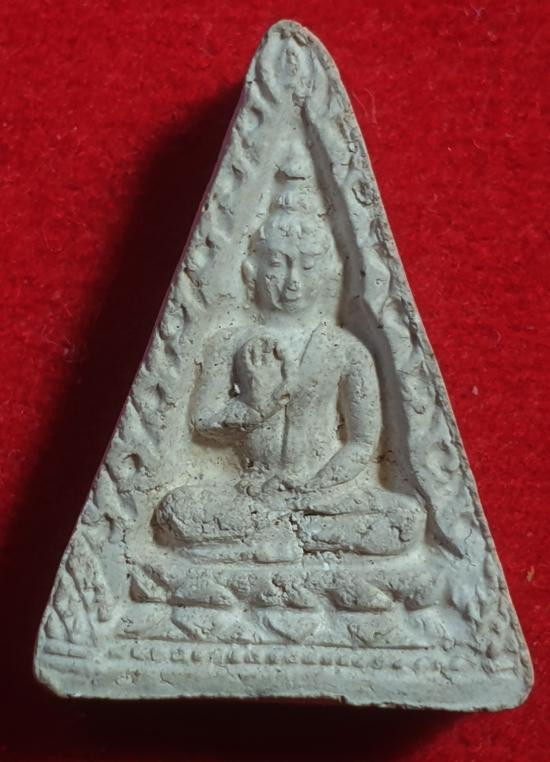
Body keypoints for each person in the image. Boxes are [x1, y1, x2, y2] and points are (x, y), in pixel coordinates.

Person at [154, 204, 425, 561]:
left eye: (307, 266)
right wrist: (252, 407)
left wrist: (313, 487)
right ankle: (295, 538)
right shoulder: (228, 343)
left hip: (320, 491)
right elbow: (202, 424)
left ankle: (277, 539)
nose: (293, 280)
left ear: (328, 273)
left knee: (407, 519)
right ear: (252, 271)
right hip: (251, 490)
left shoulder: (345, 349)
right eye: (278, 264)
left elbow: (361, 441)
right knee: (176, 510)